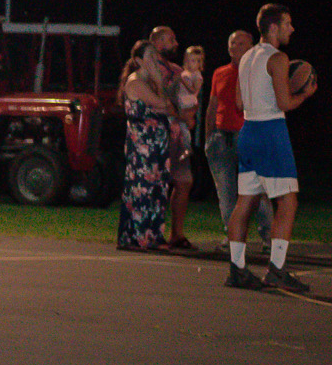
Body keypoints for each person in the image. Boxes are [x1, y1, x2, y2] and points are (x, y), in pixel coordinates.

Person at [226, 3, 316, 292]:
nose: (292, 28)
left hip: (248, 131)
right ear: (273, 27)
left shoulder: (247, 56)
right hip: (270, 131)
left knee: (244, 203)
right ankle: (276, 270)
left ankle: (237, 270)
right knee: (288, 201)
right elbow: (285, 104)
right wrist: (305, 93)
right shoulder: (278, 58)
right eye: (288, 23)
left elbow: (239, 103)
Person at [203, 30, 270, 247]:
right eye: (233, 42)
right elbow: (213, 106)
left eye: (241, 43)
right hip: (221, 138)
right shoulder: (220, 72)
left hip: (247, 136)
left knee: (257, 190)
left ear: (251, 46)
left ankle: (269, 234)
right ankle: (233, 235)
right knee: (226, 191)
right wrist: (208, 137)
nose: (236, 46)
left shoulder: (258, 71)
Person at [115, 41, 173, 252]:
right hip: (143, 145)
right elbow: (163, 104)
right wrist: (159, 82)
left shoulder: (150, 83)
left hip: (156, 142)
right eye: (149, 57)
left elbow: (169, 108)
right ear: (139, 60)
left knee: (158, 187)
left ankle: (154, 234)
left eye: (155, 57)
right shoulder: (136, 82)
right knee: (142, 187)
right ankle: (137, 235)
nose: (154, 62)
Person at [167, 46, 204, 251]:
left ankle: (176, 234)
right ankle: (154, 231)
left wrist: (187, 116)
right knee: (176, 181)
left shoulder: (192, 77)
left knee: (183, 181)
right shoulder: (174, 76)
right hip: (171, 128)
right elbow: (167, 104)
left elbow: (192, 97)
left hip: (179, 128)